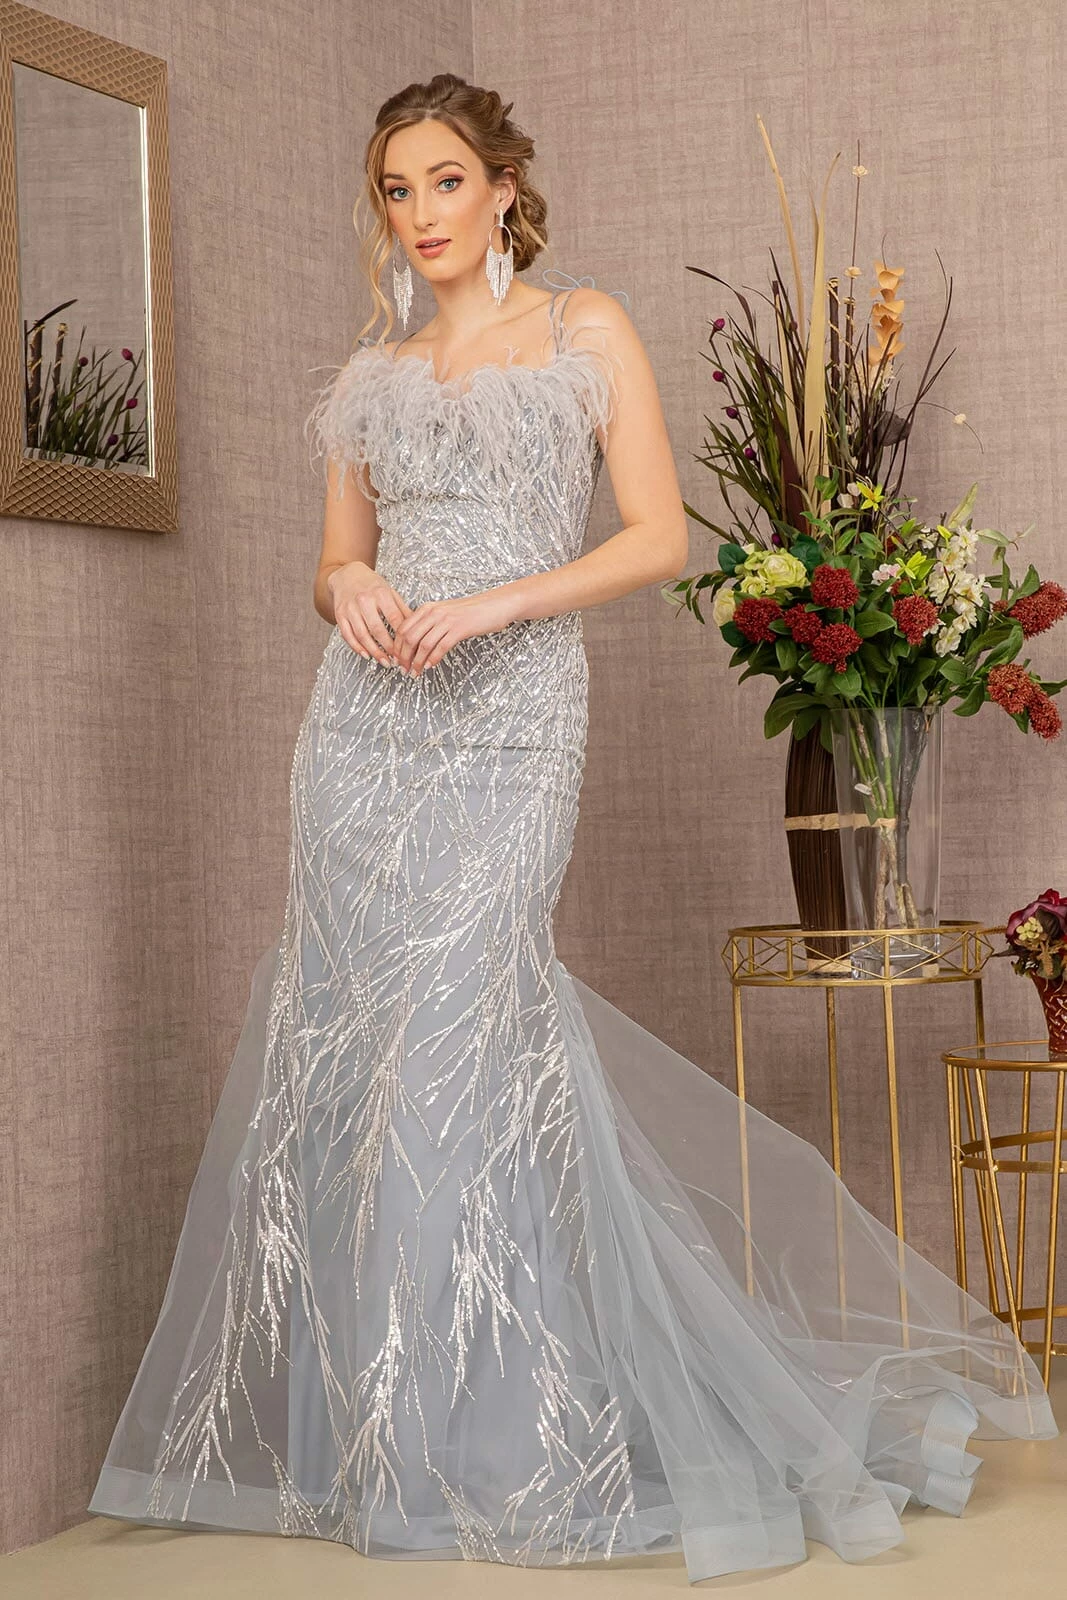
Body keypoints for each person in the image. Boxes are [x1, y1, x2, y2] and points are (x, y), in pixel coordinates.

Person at [87, 73, 1058, 1584]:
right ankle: (393, 1445)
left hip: (512, 715)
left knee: (472, 1035)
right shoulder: (372, 371)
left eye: (445, 182)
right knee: (367, 1058)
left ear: (503, 188)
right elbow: (333, 565)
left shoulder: (583, 328)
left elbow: (658, 537)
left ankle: (513, 1438)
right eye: (396, 191)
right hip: (362, 736)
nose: (420, 214)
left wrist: (494, 605)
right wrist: (351, 587)